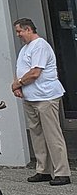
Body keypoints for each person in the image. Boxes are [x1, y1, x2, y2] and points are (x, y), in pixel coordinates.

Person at [12, 17, 71, 185]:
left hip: (45, 96)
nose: (18, 35)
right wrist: (18, 86)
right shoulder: (25, 48)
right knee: (37, 134)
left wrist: (18, 83)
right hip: (31, 97)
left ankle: (62, 172)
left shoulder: (40, 46)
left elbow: (35, 73)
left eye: (20, 31)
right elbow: (22, 70)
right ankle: (43, 169)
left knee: (52, 134)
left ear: (29, 29)